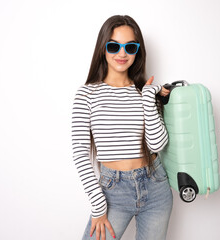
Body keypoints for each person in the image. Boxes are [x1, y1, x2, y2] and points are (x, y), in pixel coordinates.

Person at [71, 15, 173, 240]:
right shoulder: (87, 94)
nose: (122, 53)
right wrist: (98, 206)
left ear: (138, 51)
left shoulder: (144, 91)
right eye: (114, 46)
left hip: (156, 185)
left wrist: (147, 96)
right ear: (103, 48)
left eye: (130, 47)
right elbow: (79, 153)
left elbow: (157, 144)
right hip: (112, 192)